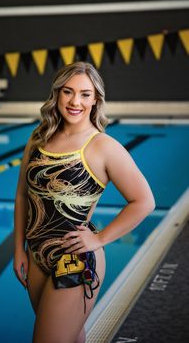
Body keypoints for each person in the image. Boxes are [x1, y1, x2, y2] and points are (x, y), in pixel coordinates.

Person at [13, 61, 155, 343]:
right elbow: (22, 196)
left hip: (75, 259)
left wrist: (99, 238)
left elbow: (144, 201)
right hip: (37, 255)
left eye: (85, 94)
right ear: (57, 94)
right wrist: (19, 249)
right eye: (67, 92)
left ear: (96, 99)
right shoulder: (39, 137)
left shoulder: (102, 146)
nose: (75, 101)